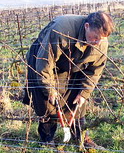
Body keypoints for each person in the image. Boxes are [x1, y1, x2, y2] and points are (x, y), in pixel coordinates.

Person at [23, 11, 114, 144]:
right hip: (42, 59)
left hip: (73, 62)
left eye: (101, 39)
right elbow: (44, 63)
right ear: (87, 26)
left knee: (77, 100)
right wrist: (50, 90)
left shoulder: (101, 42)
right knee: (47, 103)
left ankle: (81, 138)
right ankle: (47, 140)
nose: (98, 42)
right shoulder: (62, 30)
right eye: (95, 37)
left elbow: (94, 71)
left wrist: (84, 93)